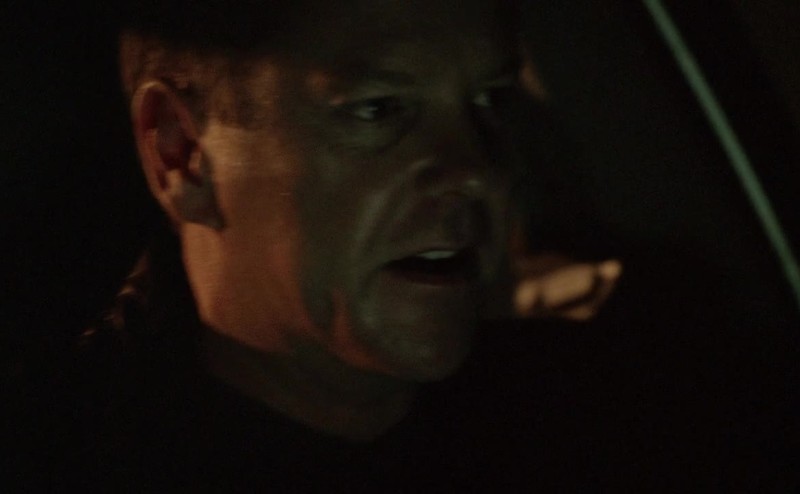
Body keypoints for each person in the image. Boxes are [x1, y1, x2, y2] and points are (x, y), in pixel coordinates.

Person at [11, 0, 630, 490]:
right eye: (377, 110)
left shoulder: (603, 416)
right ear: (181, 154)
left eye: (489, 99)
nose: (476, 172)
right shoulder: (56, 456)